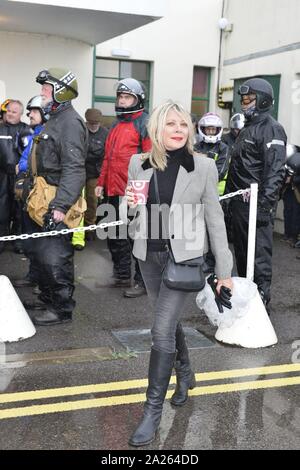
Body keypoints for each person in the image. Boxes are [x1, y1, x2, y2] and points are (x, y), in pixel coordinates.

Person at [124, 100, 233, 447]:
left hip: (183, 259)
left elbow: (215, 220)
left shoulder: (202, 166)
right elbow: (133, 219)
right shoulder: (137, 164)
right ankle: (185, 373)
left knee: (160, 331)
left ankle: (152, 411)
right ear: (156, 129)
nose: (178, 130)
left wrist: (224, 270)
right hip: (149, 256)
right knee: (167, 325)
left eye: (183, 124)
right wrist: (130, 207)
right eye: (170, 124)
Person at [22, 68, 87, 326]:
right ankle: (48, 299)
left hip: (57, 199)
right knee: (43, 254)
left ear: (61, 91)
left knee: (55, 256)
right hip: (44, 196)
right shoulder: (55, 119)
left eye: (46, 89)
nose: (42, 93)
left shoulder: (70, 122)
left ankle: (61, 309)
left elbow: (74, 168)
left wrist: (60, 207)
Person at [226, 78, 287, 306]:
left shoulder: (272, 129)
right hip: (240, 204)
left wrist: (264, 207)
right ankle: (246, 303)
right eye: (243, 99)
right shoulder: (247, 128)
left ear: (262, 100)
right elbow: (238, 166)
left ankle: (261, 307)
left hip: (257, 205)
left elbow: (274, 172)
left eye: (250, 99)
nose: (245, 103)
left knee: (258, 257)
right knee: (242, 254)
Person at [95, 78, 151, 298]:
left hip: (132, 191)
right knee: (114, 233)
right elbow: (108, 159)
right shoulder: (116, 125)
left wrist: (142, 190)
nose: (122, 101)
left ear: (138, 100)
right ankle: (121, 275)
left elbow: (149, 160)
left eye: (127, 97)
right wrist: (101, 183)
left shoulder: (145, 124)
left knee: (136, 237)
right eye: (120, 96)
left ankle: (142, 280)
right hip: (112, 189)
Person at [13, 96, 47, 292]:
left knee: (41, 239)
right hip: (30, 192)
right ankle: (34, 275)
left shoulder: (45, 135)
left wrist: (22, 166)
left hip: (40, 194)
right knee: (31, 238)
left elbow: (36, 162)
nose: (29, 115)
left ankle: (43, 281)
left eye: (33, 111)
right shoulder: (36, 133)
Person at [73, 107, 108, 249]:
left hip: (95, 172)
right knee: (78, 201)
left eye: (96, 124)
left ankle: (90, 226)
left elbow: (107, 155)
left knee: (92, 200)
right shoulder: (80, 132)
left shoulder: (105, 134)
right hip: (80, 170)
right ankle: (76, 228)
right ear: (86, 122)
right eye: (91, 124)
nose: (93, 127)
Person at [0, 99, 29, 254]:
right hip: (2, 176)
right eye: (8, 111)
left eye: (14, 111)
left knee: (19, 210)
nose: (10, 114)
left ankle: (19, 242)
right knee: (2, 210)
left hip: (20, 177)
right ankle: (2, 240)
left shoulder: (26, 130)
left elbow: (30, 153)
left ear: (20, 114)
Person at [194, 112, 230, 196]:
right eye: (208, 129)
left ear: (218, 130)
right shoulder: (196, 147)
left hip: (217, 193)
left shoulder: (223, 148)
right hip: (196, 191)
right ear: (203, 129)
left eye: (213, 129)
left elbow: (220, 172)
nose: (210, 132)